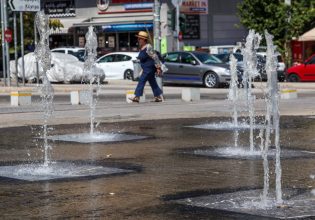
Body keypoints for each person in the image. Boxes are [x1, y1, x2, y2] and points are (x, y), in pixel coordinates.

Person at [129, 31, 163, 103]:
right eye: (138, 39)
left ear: (144, 40)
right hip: (146, 68)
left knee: (141, 81)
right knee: (152, 82)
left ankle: (137, 97)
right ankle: (158, 97)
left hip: (149, 68)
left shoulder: (148, 47)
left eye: (140, 39)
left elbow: (155, 57)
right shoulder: (142, 48)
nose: (138, 40)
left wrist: (158, 68)